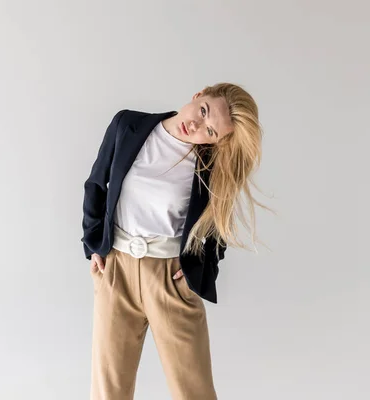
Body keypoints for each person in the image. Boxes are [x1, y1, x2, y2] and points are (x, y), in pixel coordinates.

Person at [81, 82, 265, 400]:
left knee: (193, 392)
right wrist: (94, 245)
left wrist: (197, 272)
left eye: (209, 131)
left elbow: (217, 230)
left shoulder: (208, 167)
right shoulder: (128, 125)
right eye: (203, 111)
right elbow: (96, 184)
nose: (195, 125)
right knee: (108, 391)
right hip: (116, 271)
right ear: (199, 95)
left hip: (170, 279)